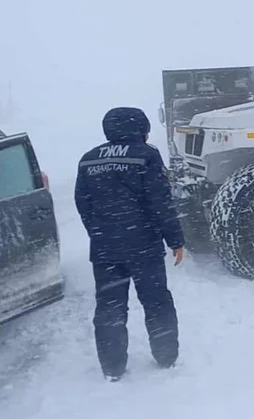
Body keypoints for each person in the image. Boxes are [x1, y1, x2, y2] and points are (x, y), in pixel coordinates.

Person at [74, 106, 185, 382]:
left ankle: (112, 367)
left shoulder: (88, 159)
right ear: (140, 129)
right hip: (143, 245)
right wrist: (175, 240)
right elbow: (160, 202)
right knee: (156, 301)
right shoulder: (146, 156)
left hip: (105, 248)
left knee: (110, 306)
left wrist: (99, 232)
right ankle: (166, 356)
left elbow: (82, 203)